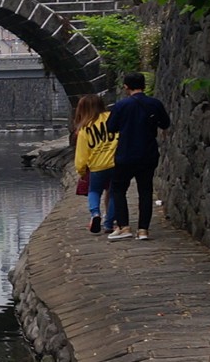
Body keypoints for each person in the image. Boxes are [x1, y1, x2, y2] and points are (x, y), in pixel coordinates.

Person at [104, 71, 171, 241]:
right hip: (148, 154)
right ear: (144, 85)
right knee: (145, 191)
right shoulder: (154, 104)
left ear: (126, 87)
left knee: (118, 190)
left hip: (125, 154)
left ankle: (124, 226)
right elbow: (165, 123)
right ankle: (143, 230)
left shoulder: (121, 106)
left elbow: (110, 127)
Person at [72, 93, 117, 235]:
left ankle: (95, 213)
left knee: (94, 191)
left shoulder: (84, 129)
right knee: (114, 193)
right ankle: (109, 223)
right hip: (115, 163)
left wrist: (81, 170)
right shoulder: (112, 118)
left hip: (97, 166)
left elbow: (81, 153)